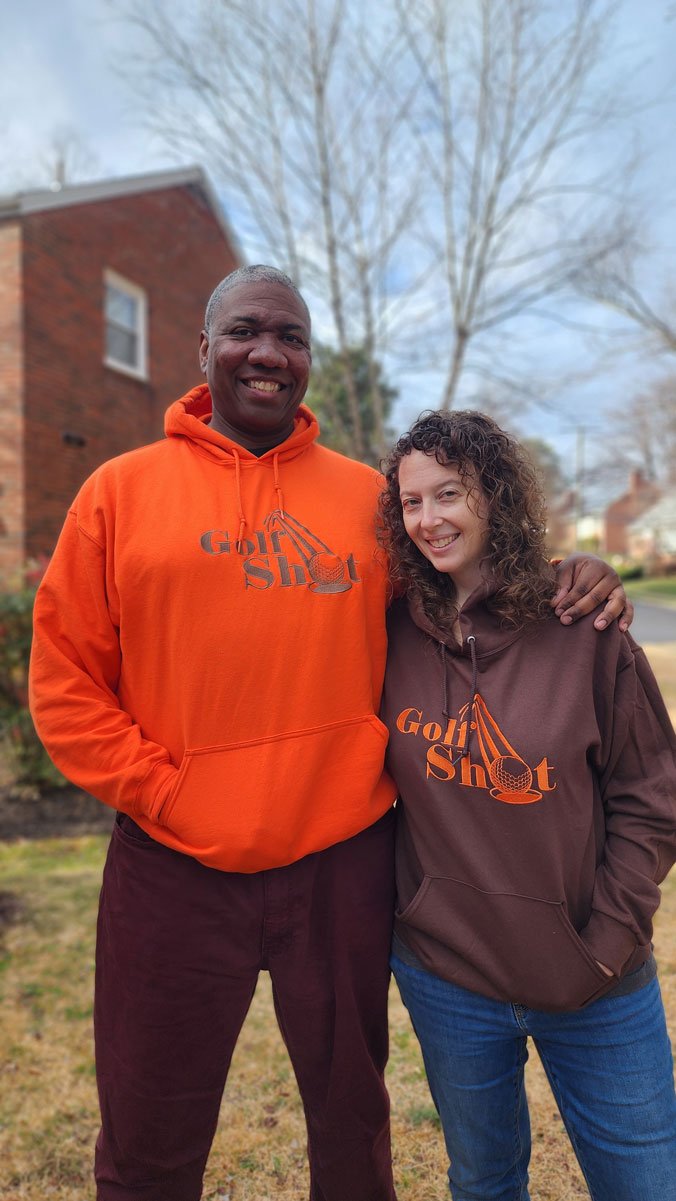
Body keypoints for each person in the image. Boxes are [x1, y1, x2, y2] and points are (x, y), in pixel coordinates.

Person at [29, 266, 632, 1201]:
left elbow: (466, 587)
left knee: (353, 1127)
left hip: (343, 861)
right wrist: (163, 789)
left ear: (307, 360)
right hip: (173, 864)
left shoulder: (369, 500)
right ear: (204, 350)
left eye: (292, 337)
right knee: (149, 1132)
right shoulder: (117, 493)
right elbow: (65, 682)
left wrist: (569, 576)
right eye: (244, 331)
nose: (269, 352)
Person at [378, 410, 676, 1201]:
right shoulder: (386, 631)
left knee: (647, 1183)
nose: (430, 519)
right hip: (450, 976)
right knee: (483, 1182)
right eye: (411, 502)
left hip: (594, 978)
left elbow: (652, 797)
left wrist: (608, 937)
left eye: (450, 493)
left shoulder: (584, 627)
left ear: (496, 494)